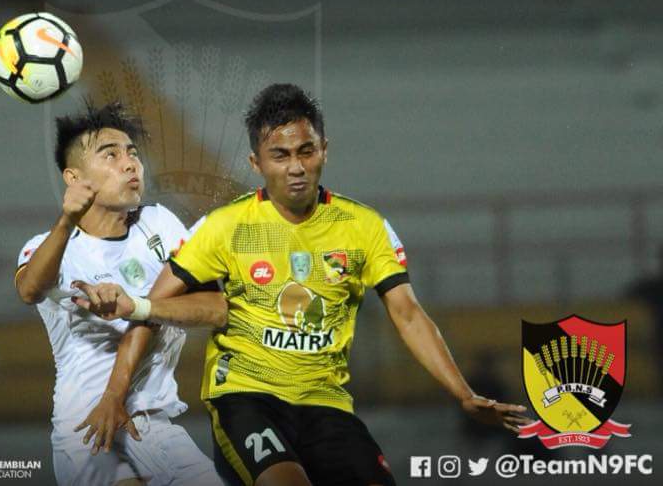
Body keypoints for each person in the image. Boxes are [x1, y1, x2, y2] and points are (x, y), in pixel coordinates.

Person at [73, 84, 531, 486]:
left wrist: (464, 394)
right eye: (280, 155)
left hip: (326, 403)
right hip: (246, 399)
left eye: (306, 151)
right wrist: (115, 396)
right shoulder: (225, 227)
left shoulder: (364, 227)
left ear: (324, 150)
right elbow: (148, 308)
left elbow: (408, 313)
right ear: (257, 162)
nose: (296, 167)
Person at [14, 101, 224, 486]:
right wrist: (66, 221)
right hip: (89, 426)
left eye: (133, 153)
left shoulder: (159, 224)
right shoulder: (52, 246)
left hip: (154, 423)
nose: (130, 164)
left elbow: (216, 308)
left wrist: (141, 307)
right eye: (110, 155)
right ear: (74, 178)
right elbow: (30, 289)